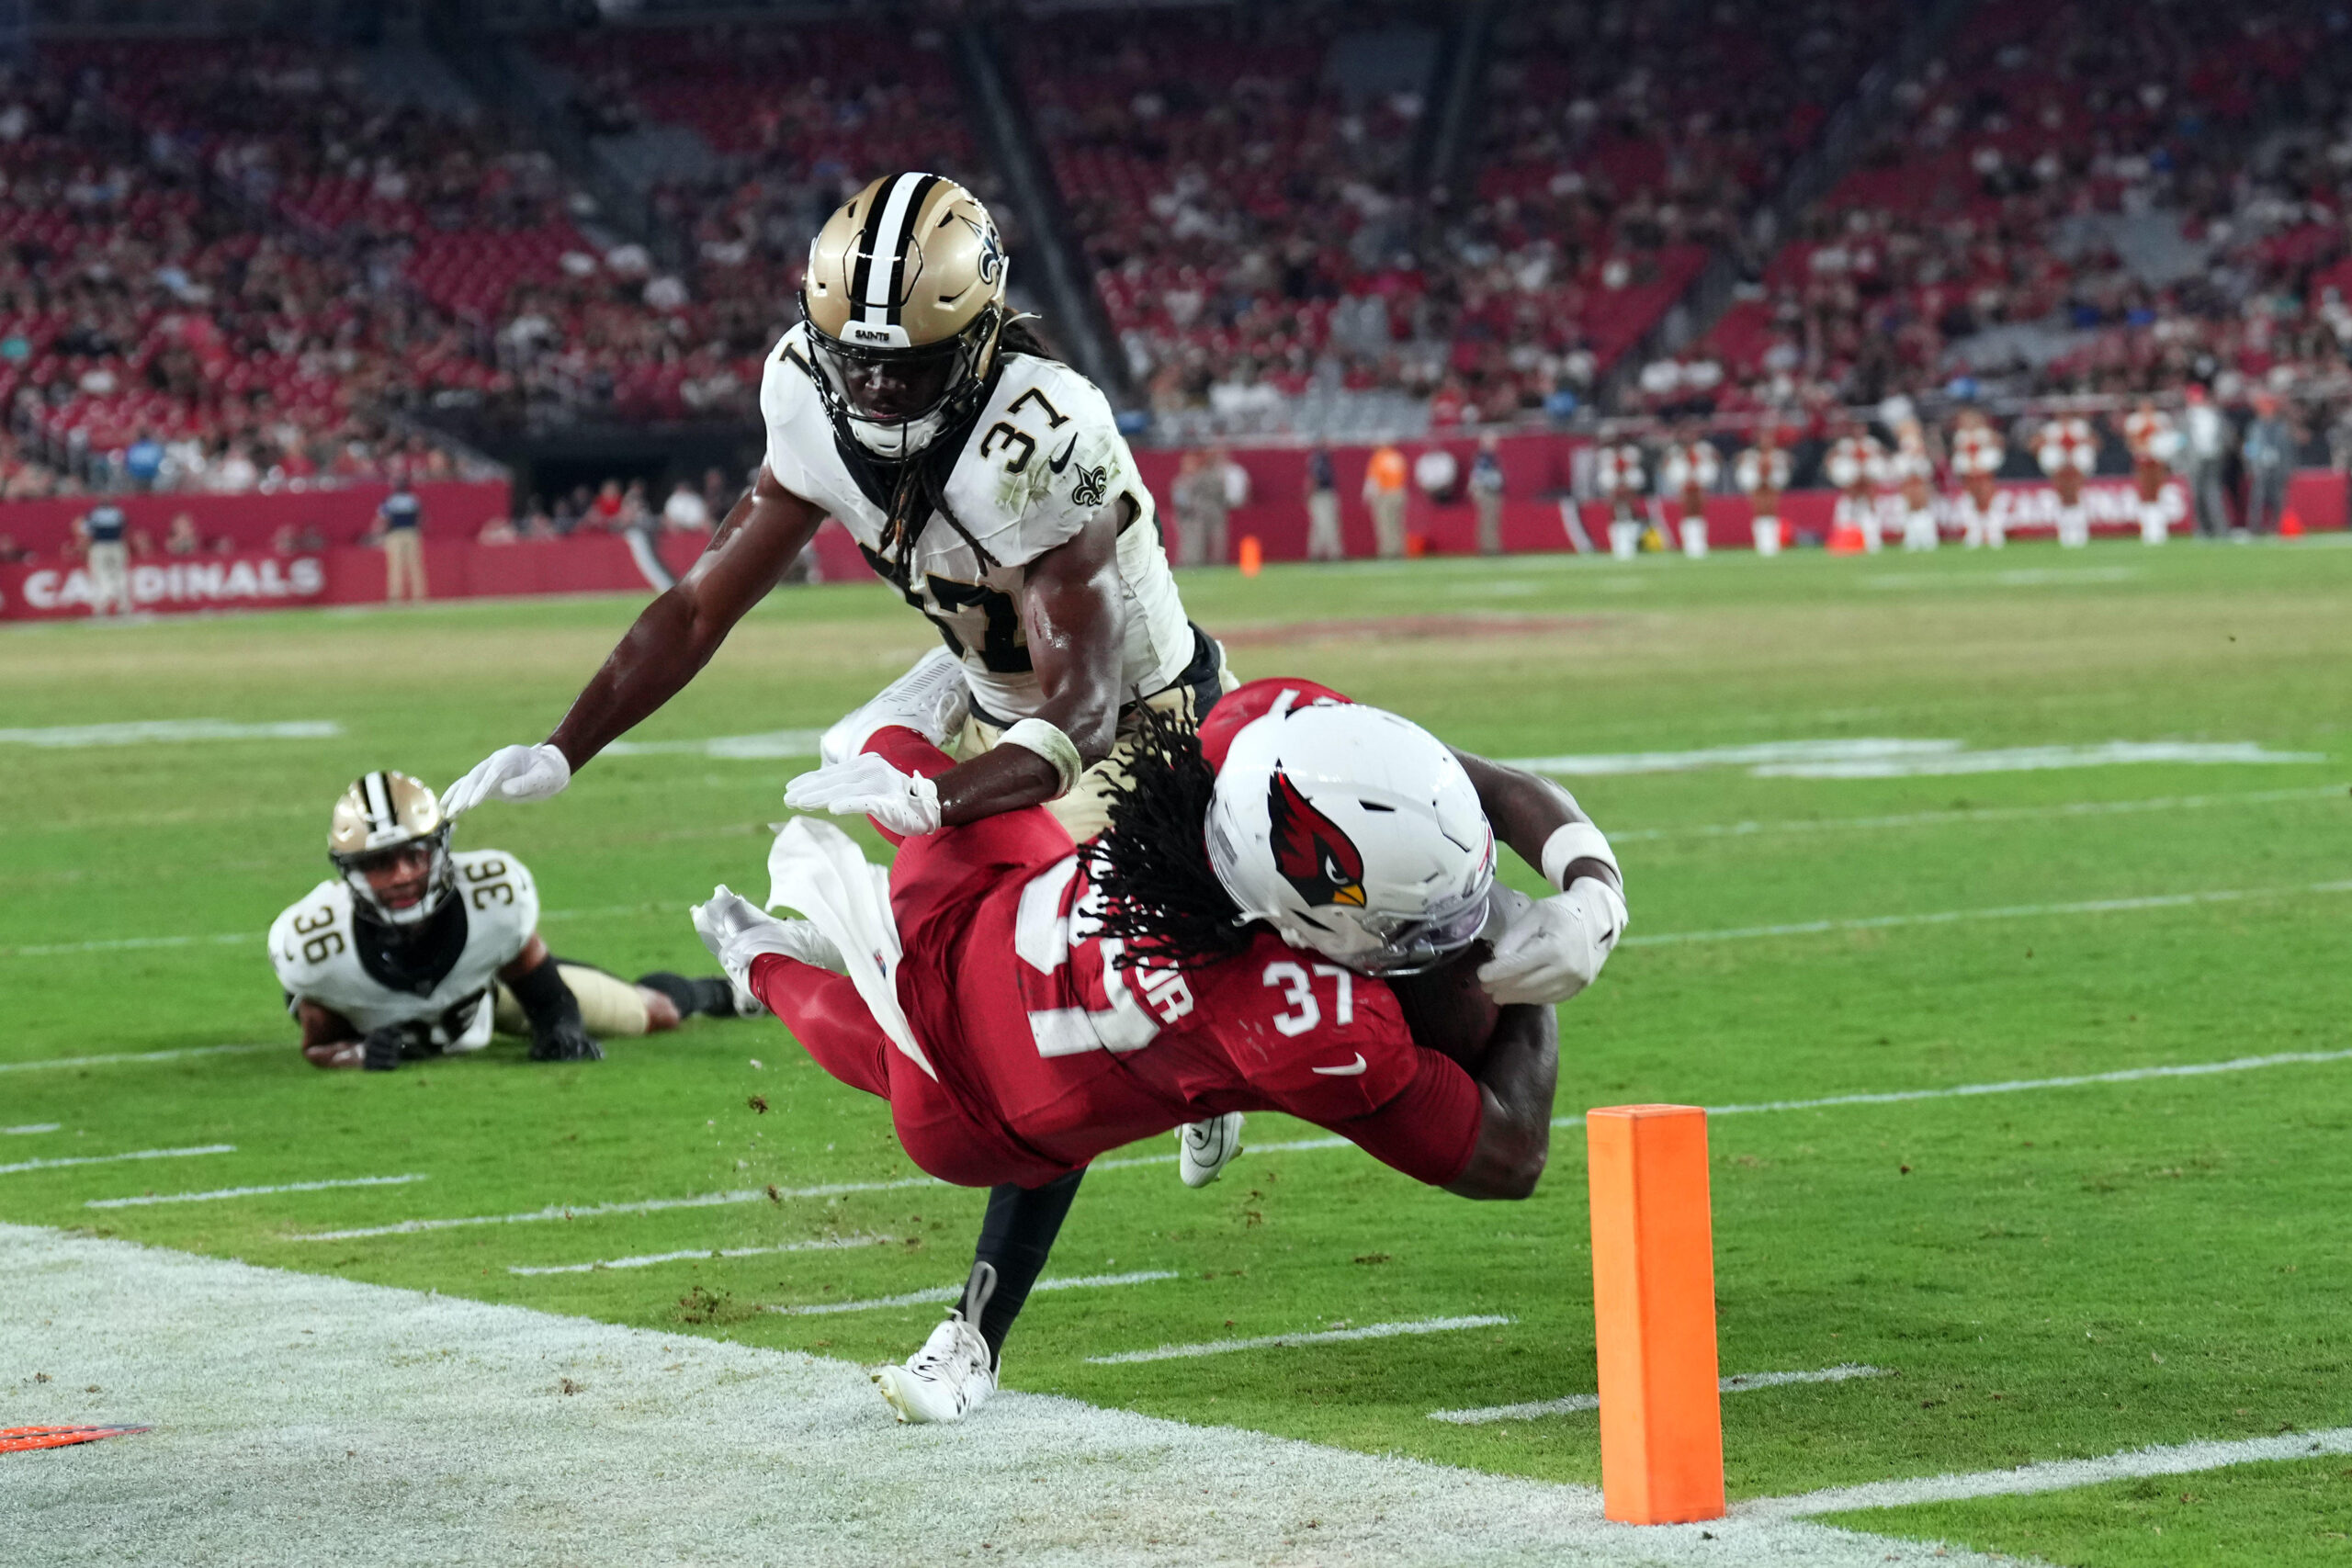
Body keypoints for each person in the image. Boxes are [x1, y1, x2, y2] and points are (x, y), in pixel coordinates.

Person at [442, 171, 1236, 1417]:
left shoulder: (1044, 432)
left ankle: (975, 1335)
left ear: (975, 340)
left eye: (905, 367)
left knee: (1024, 1014)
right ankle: (1192, 1034)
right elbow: (699, 604)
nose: (873, 389)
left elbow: (1080, 715)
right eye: (853, 359)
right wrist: (566, 746)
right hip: (982, 690)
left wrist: (945, 802)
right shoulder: (805, 392)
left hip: (1136, 726)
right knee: (878, 789)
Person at [729, 671, 1626, 1423]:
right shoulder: (1299, 1018)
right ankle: (756, 956)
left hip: (1010, 880)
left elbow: (1469, 783)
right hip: (988, 1087)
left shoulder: (1256, 741)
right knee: (889, 1057)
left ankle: (876, 742)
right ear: (1301, 918)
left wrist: (1591, 883)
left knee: (937, 803)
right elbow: (1509, 1155)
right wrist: (1522, 978)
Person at [271, 771, 757, 1072]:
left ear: (440, 849)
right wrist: (358, 1055)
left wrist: (561, 1029)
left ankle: (725, 993)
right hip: (431, 1008)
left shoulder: (492, 895)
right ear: (350, 873)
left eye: (414, 855)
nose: (401, 876)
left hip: (486, 989)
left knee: (653, 1012)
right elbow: (319, 1046)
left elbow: (544, 993)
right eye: (380, 863)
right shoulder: (317, 947)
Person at [2182, 385, 2230, 538]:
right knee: (2198, 495)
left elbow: (2226, 435)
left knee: (2212, 494)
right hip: (2195, 460)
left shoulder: (2213, 414)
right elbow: (2181, 441)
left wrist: (2221, 450)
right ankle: (2203, 529)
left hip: (2212, 457)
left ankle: (2220, 528)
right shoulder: (2186, 417)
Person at [2242, 393, 2292, 536]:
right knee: (2257, 499)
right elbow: (2249, 447)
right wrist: (2250, 466)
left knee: (2278, 499)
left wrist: (2287, 467)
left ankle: (2277, 526)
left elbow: (2287, 448)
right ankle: (2254, 528)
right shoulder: (2254, 427)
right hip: (2260, 466)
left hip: (2278, 466)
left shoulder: (2282, 427)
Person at [74, 496, 130, 615]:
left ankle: (101, 606)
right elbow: (124, 528)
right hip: (116, 545)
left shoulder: (93, 514)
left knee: (100, 575)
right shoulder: (117, 513)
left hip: (99, 546)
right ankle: (123, 605)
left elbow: (85, 530)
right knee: (120, 575)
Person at [379, 479, 425, 601]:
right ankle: (419, 595)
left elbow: (384, 518)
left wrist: (383, 532)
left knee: (396, 566)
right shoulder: (413, 499)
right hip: (411, 533)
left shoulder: (390, 501)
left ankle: (396, 595)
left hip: (396, 534)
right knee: (414, 565)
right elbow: (421, 517)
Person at [1363, 440, 1408, 558]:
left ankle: (1388, 551)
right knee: (1398, 524)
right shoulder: (1397, 457)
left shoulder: (1379, 457)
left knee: (1385, 525)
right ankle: (1400, 550)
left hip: (1384, 494)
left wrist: (1368, 495)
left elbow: (1373, 479)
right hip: (1399, 492)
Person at [1304, 444, 1342, 560]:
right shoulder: (1319, 459)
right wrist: (1309, 494)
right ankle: (1330, 553)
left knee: (1321, 525)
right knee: (1325, 524)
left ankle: (1318, 553)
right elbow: (1314, 478)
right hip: (1321, 495)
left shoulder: (1322, 459)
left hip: (1322, 494)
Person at [1469, 434, 1506, 556]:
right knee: (1488, 521)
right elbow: (1477, 474)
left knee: (1492, 521)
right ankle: (1488, 548)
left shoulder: (1491, 457)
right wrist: (1476, 488)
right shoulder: (1484, 458)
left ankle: (1493, 547)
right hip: (1487, 491)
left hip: (1493, 491)